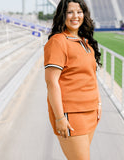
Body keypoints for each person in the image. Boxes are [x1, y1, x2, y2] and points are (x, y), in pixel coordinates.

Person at [44, 0, 102, 159]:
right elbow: (51, 83)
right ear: (63, 15)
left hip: (91, 111)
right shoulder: (58, 41)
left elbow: (90, 76)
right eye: (70, 12)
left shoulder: (85, 42)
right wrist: (60, 117)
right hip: (72, 114)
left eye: (79, 11)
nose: (75, 16)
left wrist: (98, 103)